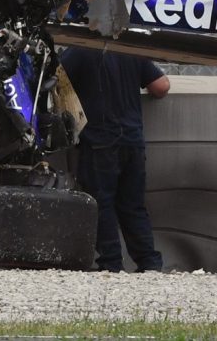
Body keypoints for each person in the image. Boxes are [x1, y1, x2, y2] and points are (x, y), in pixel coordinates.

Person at [61, 47, 169, 272]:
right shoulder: (131, 48)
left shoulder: (80, 50)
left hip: (100, 140)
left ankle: (111, 264)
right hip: (133, 140)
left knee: (102, 204)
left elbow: (56, 81)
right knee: (134, 206)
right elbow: (161, 86)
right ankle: (149, 262)